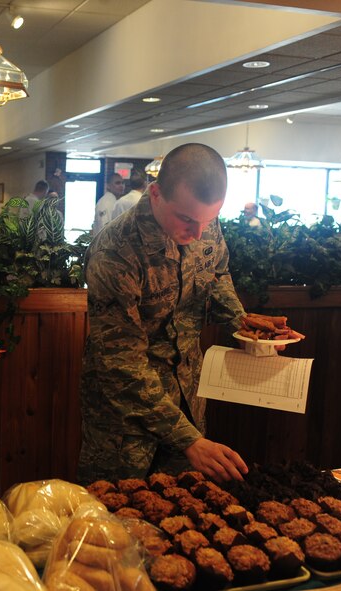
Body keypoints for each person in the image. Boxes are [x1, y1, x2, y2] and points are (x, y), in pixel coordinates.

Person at [79, 143, 249, 484]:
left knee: (184, 517)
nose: (198, 233)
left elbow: (216, 273)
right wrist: (188, 439)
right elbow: (119, 362)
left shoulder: (201, 222)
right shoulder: (116, 251)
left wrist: (242, 325)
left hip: (189, 400)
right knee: (114, 521)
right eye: (187, 219)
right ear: (155, 193)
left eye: (209, 220)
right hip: (126, 423)